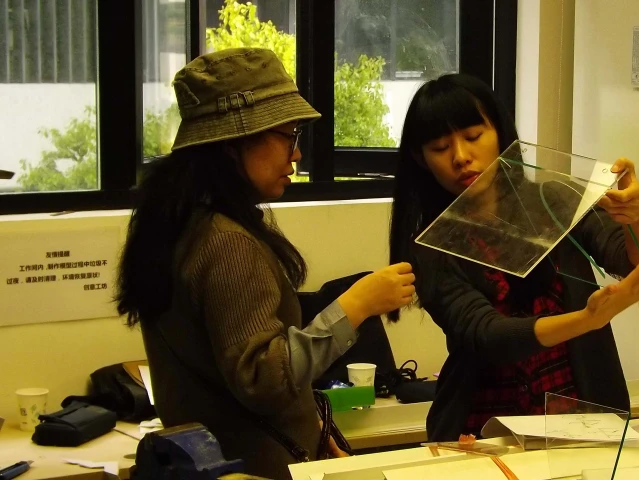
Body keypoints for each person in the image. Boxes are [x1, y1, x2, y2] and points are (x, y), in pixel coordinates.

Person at [115, 48, 415, 479]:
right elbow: (264, 379)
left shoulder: (178, 228)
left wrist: (306, 425)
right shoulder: (227, 245)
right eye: (289, 136)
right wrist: (356, 305)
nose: (296, 156)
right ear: (234, 143)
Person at [388, 73, 639, 441]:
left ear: (500, 133)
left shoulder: (553, 201)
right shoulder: (429, 247)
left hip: (581, 412)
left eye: (473, 137)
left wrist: (637, 214)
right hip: (483, 429)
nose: (461, 157)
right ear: (421, 159)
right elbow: (489, 336)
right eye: (440, 147)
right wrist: (586, 318)